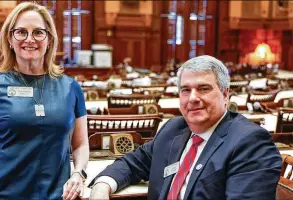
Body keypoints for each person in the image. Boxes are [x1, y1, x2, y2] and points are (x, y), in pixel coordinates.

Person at [89, 55, 282, 200]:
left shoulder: (251, 143)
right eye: (186, 90)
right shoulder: (174, 128)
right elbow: (133, 163)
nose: (192, 98)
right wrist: (102, 187)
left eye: (204, 89)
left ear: (225, 94)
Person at [0, 2, 89, 200]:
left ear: (49, 39)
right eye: (21, 32)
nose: (30, 39)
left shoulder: (71, 88)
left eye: (38, 32)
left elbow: (81, 145)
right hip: (3, 193)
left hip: (56, 195)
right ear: (9, 38)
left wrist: (78, 172)